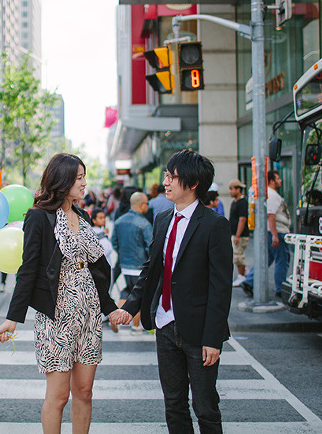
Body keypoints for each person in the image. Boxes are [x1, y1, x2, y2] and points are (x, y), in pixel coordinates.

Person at [0, 153, 118, 434]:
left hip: (88, 315)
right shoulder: (39, 217)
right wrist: (13, 318)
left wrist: (109, 308)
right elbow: (28, 270)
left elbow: (95, 269)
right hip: (56, 315)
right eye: (79, 178)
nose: (85, 183)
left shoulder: (82, 215)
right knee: (59, 396)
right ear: (62, 180)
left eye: (84, 177)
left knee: (84, 392)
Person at [110, 150, 233, 434]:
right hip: (165, 325)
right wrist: (129, 308)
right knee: (174, 404)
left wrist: (213, 339)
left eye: (172, 176)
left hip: (200, 331)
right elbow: (151, 271)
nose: (166, 182)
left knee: (205, 407)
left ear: (192, 184)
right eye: (166, 175)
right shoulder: (162, 219)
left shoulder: (215, 225)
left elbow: (220, 287)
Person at [241, 170, 291, 298]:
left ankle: (250, 281)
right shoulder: (273, 195)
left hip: (272, 232)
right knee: (282, 260)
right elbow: (271, 215)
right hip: (278, 232)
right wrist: (275, 235)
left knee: (265, 259)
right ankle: (280, 288)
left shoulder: (269, 194)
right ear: (272, 181)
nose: (280, 181)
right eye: (278, 179)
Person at [109, 191, 152, 333]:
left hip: (124, 265)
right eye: (146, 203)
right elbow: (150, 246)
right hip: (139, 266)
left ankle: (116, 318)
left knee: (126, 292)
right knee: (139, 296)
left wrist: (122, 254)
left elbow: (114, 241)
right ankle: (136, 326)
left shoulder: (120, 220)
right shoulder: (144, 224)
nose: (148, 206)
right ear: (141, 205)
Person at [228, 179, 249, 287]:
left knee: (238, 256)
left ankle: (242, 276)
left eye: (232, 189)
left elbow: (242, 219)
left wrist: (237, 235)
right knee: (237, 255)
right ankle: (244, 273)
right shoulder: (235, 202)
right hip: (235, 234)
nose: (230, 191)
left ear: (238, 189)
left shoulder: (243, 202)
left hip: (240, 235)